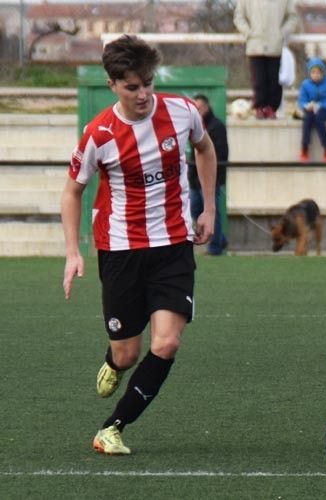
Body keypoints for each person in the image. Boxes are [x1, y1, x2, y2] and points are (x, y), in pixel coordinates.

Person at [61, 35, 217, 455]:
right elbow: (72, 191)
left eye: (148, 82)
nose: (144, 93)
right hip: (120, 251)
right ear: (113, 85)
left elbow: (205, 148)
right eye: (132, 86)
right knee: (128, 354)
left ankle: (112, 428)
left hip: (173, 246)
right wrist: (74, 252)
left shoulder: (182, 112)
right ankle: (114, 362)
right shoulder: (99, 134)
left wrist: (209, 210)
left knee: (166, 343)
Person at [234, 0, 298, 119]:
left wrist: (282, 33)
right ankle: (259, 107)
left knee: (274, 79)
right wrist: (248, 32)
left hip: (275, 44)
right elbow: (239, 17)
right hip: (255, 44)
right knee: (258, 80)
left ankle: (271, 108)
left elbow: (292, 17)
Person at [190, 94, 229, 255]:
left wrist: (215, 177)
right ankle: (220, 239)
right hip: (194, 178)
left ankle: (215, 247)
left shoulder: (216, 126)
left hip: (210, 179)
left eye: (198, 108)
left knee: (213, 212)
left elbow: (217, 153)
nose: (196, 112)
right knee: (195, 209)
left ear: (206, 108)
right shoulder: (194, 124)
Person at [297, 57, 326, 163]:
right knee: (307, 119)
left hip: (324, 110)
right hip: (310, 110)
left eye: (318, 72)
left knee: (319, 119)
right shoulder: (305, 85)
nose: (316, 75)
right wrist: (306, 105)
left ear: (323, 73)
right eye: (313, 72)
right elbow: (301, 100)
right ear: (309, 73)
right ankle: (304, 147)